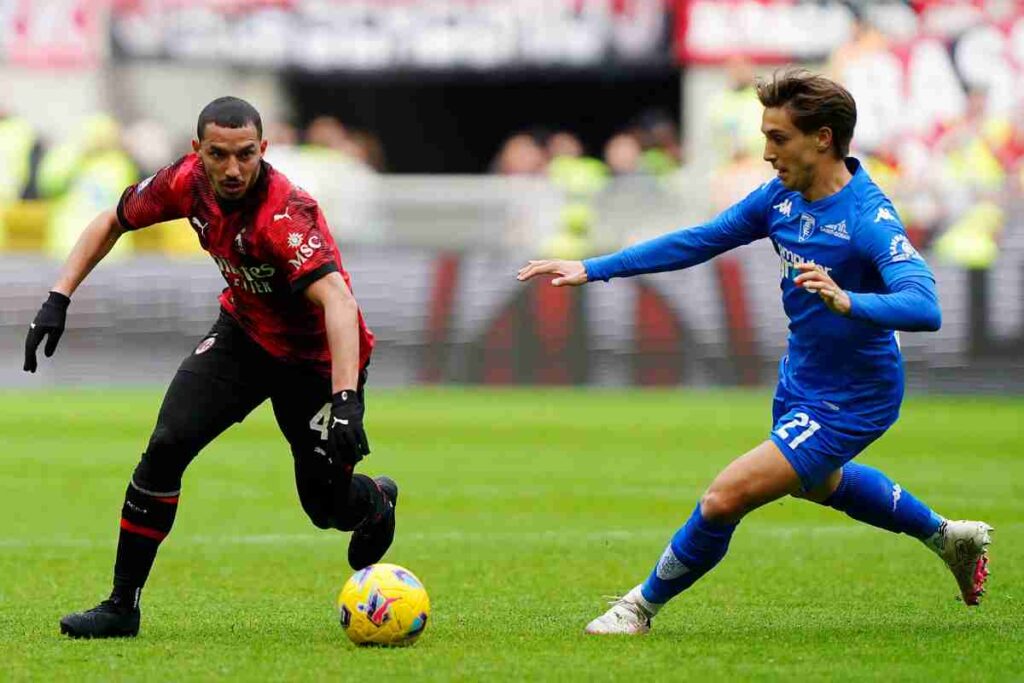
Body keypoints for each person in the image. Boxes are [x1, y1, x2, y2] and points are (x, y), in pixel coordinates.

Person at [517, 70, 992, 635]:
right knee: (820, 483)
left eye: (778, 138)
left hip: (856, 395)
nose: (766, 153)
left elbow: (925, 305)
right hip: (802, 380)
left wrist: (850, 301)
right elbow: (700, 239)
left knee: (725, 497)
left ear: (822, 138)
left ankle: (637, 609)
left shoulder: (868, 217)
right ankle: (947, 536)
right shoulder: (780, 198)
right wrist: (594, 267)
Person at [23, 96, 398, 639]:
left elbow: (339, 302)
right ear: (197, 151)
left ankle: (375, 502)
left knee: (325, 507)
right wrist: (58, 296)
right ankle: (121, 605)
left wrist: (345, 401)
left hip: (316, 364)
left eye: (245, 154)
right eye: (218, 155)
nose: (232, 169)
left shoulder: (286, 216)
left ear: (263, 150)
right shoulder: (184, 182)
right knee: (166, 445)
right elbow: (112, 220)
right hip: (242, 338)